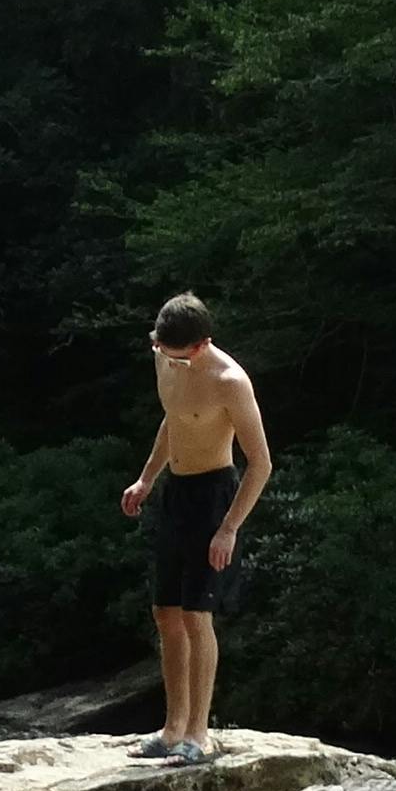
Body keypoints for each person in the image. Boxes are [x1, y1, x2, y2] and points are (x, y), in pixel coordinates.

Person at [117, 291, 268, 764]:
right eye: (161, 350)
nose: (169, 360)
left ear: (202, 345)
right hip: (176, 492)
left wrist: (229, 528)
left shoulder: (230, 382)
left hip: (214, 497)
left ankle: (199, 736)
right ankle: (172, 729)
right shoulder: (164, 355)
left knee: (197, 615)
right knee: (166, 612)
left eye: (178, 356)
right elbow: (174, 418)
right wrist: (147, 478)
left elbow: (261, 463)